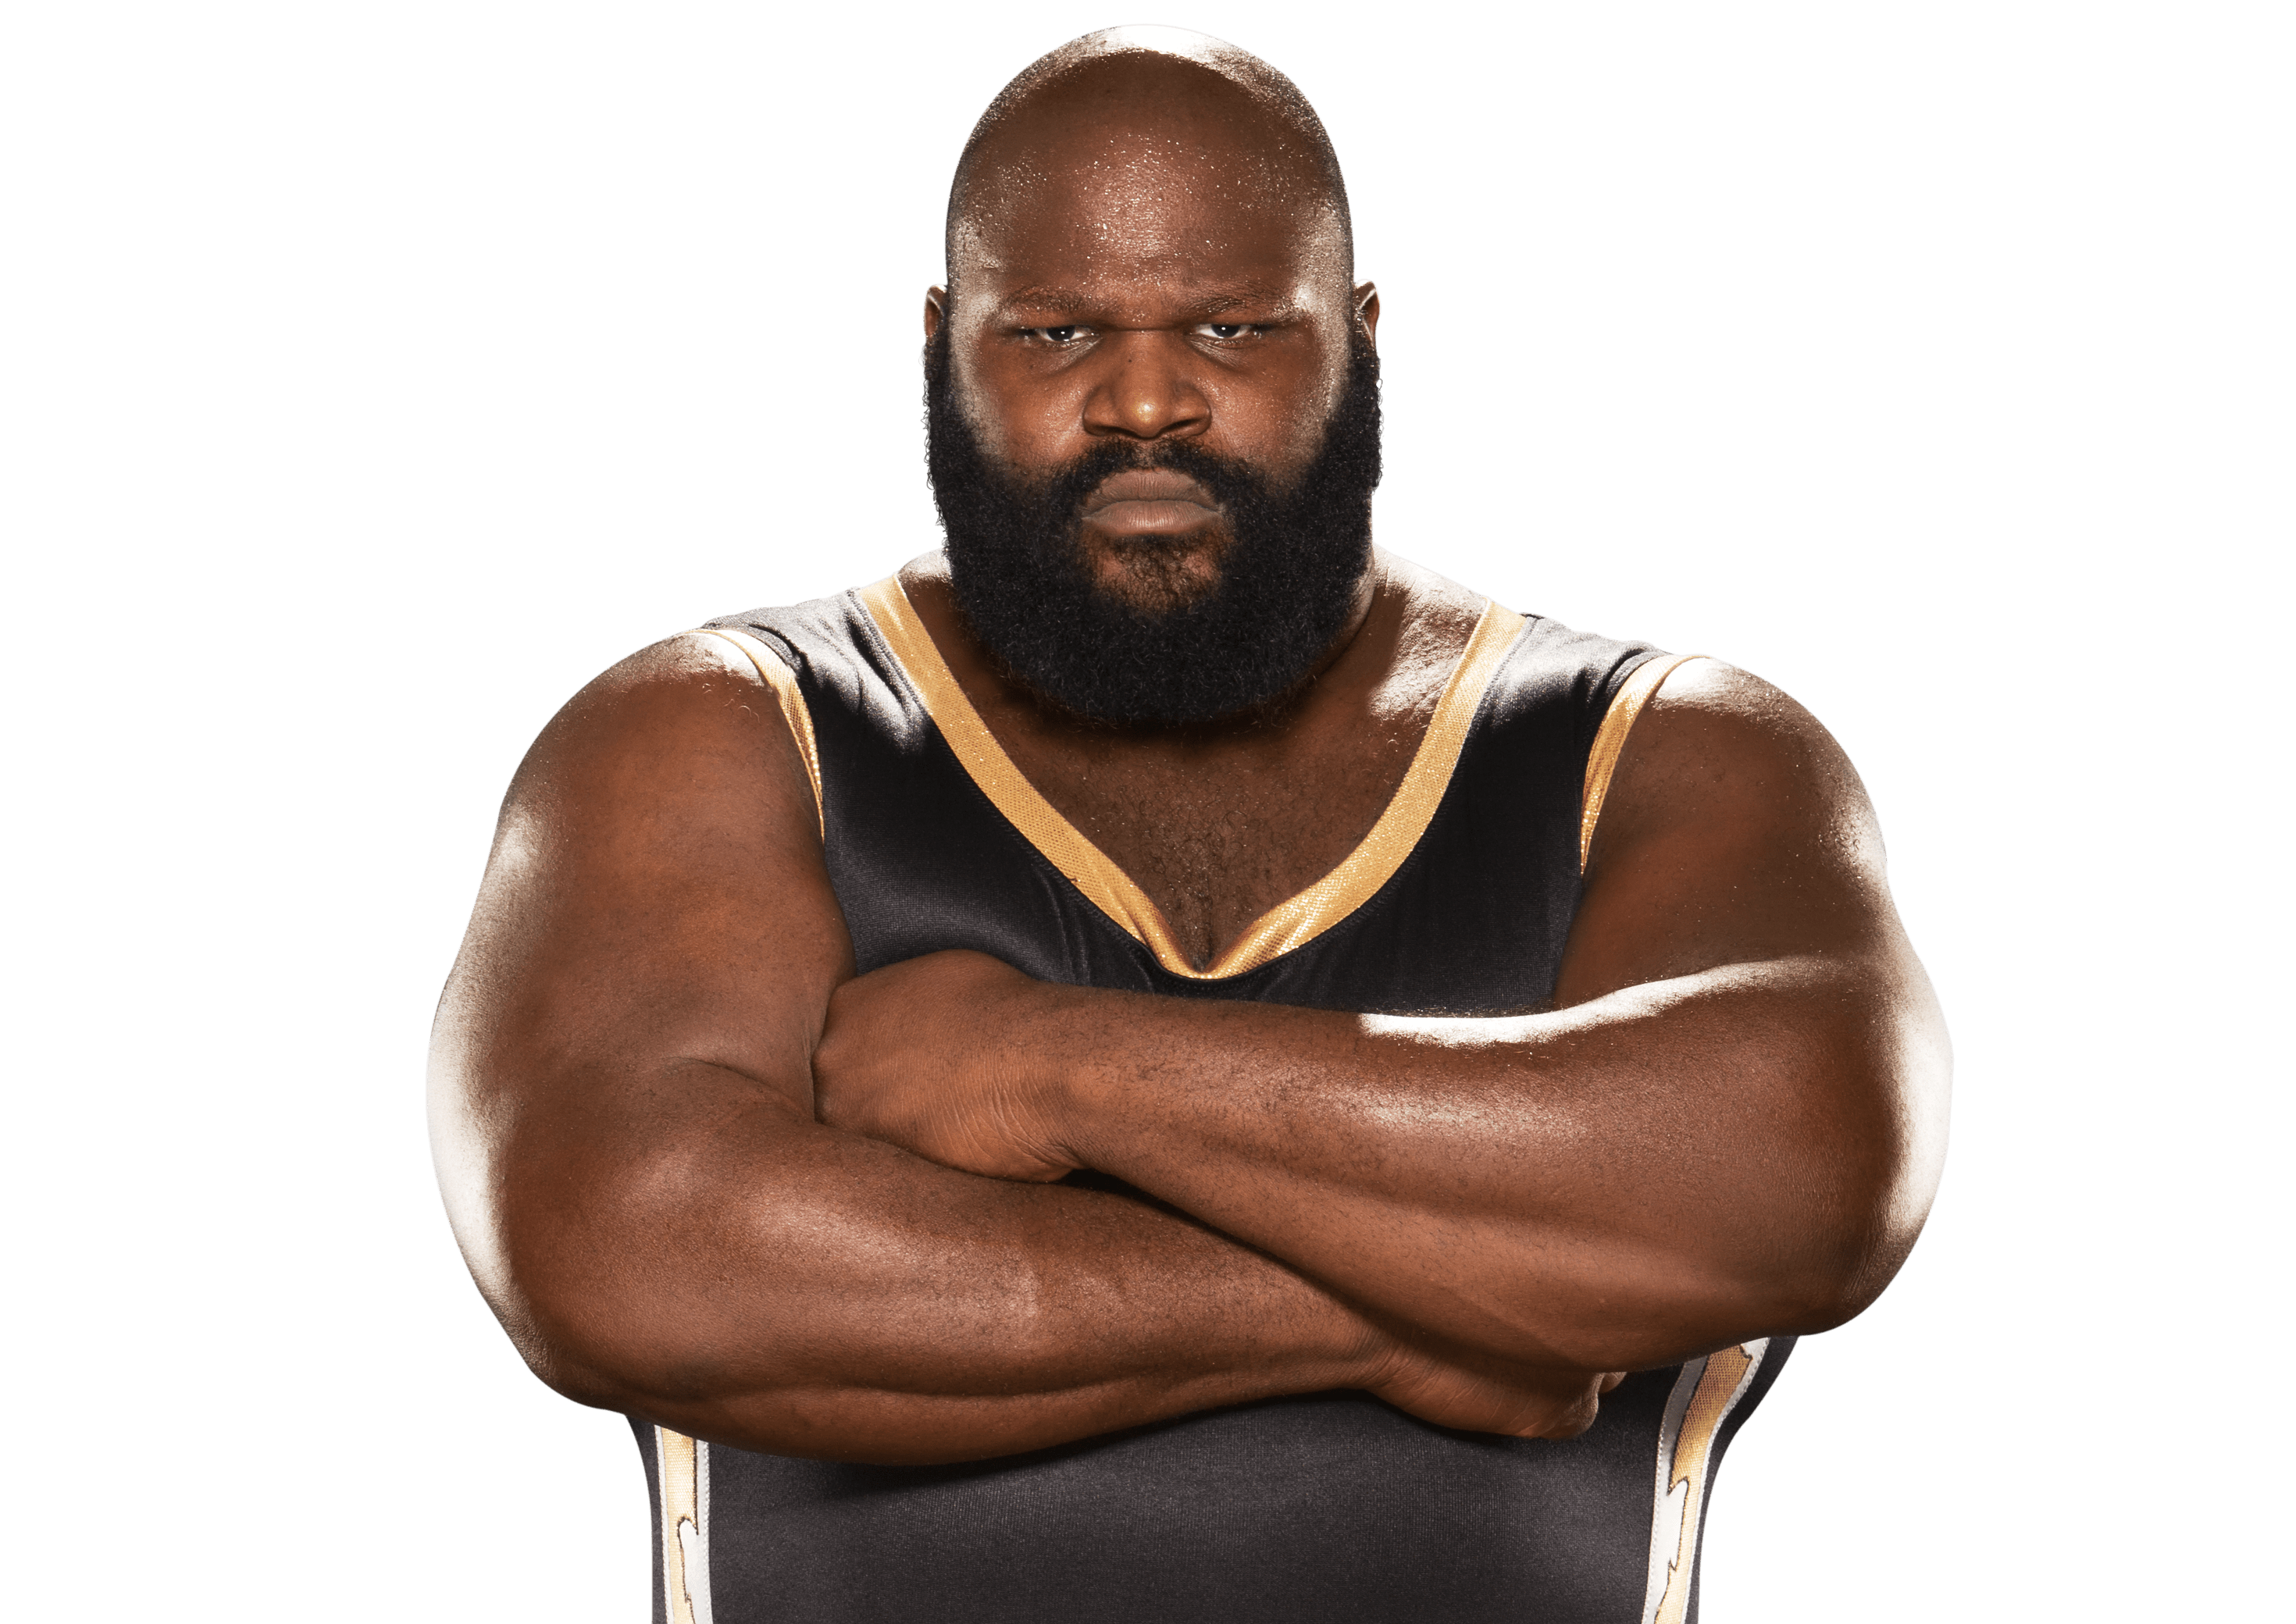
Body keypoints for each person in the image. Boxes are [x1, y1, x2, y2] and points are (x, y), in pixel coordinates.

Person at [427, 24, 1950, 1624]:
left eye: (1232, 327)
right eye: (1056, 330)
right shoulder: (730, 732)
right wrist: (1428, 1307)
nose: (1145, 399)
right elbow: (626, 1250)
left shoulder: (1658, 753)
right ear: (944, 347)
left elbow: (1809, 1168)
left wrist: (1044, 1064)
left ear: (1357, 339)